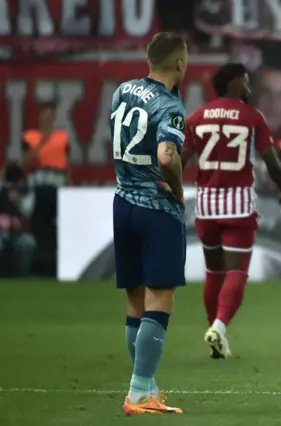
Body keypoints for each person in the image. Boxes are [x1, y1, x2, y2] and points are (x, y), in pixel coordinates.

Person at [180, 63, 281, 360]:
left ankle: (215, 335)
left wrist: (169, 188)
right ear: (232, 83)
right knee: (237, 271)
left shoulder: (196, 117)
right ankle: (218, 326)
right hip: (238, 202)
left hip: (205, 203)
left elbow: (181, 159)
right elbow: (271, 161)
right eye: (244, 81)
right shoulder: (252, 117)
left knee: (213, 271)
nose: (248, 88)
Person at [110, 32, 189, 415]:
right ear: (179, 64)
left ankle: (148, 386)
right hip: (157, 209)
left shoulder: (122, 90)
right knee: (159, 301)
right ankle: (139, 393)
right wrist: (177, 189)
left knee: (135, 301)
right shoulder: (170, 105)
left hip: (122, 202)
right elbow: (167, 155)